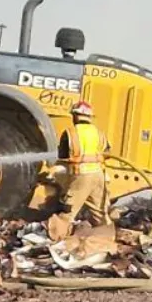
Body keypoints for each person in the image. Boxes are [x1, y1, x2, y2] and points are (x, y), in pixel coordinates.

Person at [52, 100, 111, 235]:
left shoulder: (70, 133)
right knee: (100, 214)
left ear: (75, 116)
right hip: (99, 176)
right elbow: (107, 152)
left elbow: (62, 156)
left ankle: (55, 240)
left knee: (67, 212)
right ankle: (108, 239)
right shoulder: (99, 133)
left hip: (82, 176)